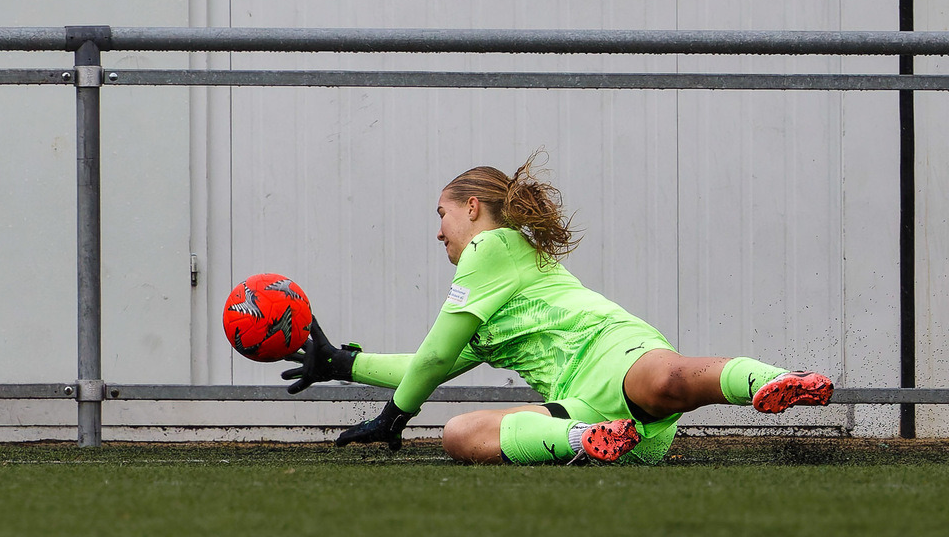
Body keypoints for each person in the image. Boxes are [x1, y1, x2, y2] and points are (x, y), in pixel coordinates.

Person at [282, 151, 834, 465]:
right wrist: (343, 365)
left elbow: (429, 361)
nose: (438, 232)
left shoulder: (490, 247)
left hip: (610, 351)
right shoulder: (485, 300)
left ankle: (773, 380)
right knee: (459, 435)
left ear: (472, 209)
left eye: (442, 215)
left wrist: (392, 418)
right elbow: (429, 365)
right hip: (588, 413)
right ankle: (586, 442)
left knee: (668, 381)